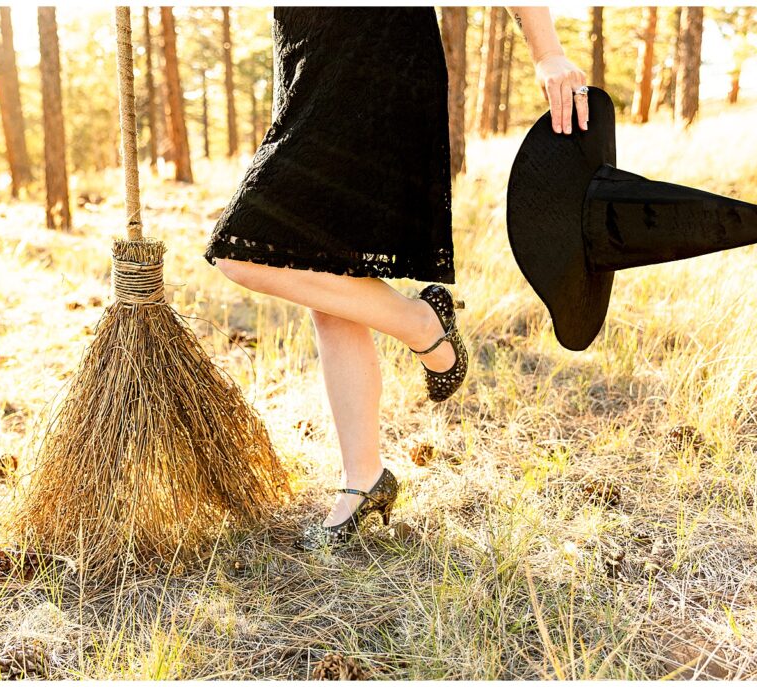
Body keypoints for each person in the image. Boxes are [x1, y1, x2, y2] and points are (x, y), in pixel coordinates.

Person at [203, 7, 588, 550]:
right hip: (303, 57)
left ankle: (422, 322)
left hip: (374, 54)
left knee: (241, 253)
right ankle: (364, 480)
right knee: (331, 276)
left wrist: (547, 51)